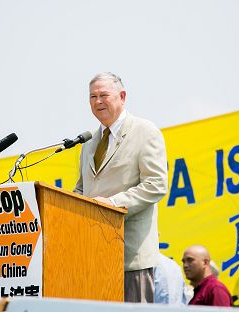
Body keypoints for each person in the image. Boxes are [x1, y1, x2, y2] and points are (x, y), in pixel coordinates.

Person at [74, 72, 168, 303]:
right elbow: (80, 191)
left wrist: (113, 204)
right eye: (92, 96)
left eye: (104, 95)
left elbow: (156, 184)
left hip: (130, 256)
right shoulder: (88, 143)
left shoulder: (145, 131)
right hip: (93, 255)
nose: (98, 101)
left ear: (122, 96)